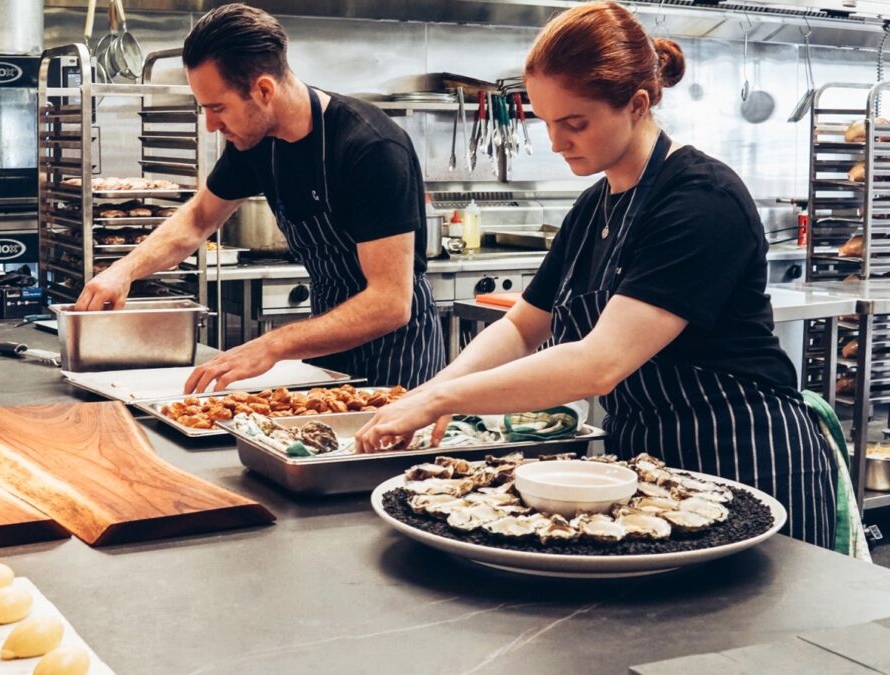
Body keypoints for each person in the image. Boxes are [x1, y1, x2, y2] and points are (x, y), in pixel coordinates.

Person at [356, 1, 837, 548]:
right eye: (546, 123)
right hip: (649, 470)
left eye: (574, 123)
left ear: (636, 105)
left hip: (746, 456)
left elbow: (599, 364)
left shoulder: (701, 200)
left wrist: (445, 401)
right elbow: (520, 328)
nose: (557, 143)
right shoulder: (593, 207)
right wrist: (431, 391)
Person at [75, 3, 444, 393]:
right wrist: (124, 271)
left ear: (264, 90)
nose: (212, 125)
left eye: (218, 108)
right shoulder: (256, 143)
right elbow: (199, 218)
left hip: (399, 357)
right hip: (326, 343)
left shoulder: (371, 147)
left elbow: (389, 302)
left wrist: (272, 345)